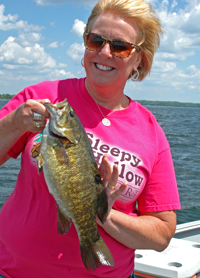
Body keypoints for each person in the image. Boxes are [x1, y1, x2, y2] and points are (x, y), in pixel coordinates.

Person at [0, 0, 181, 277]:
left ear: (139, 59)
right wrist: (14, 122)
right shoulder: (42, 97)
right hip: (13, 270)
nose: (105, 52)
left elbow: (161, 234)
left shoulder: (151, 132)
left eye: (120, 46)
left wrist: (102, 214)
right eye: (96, 40)